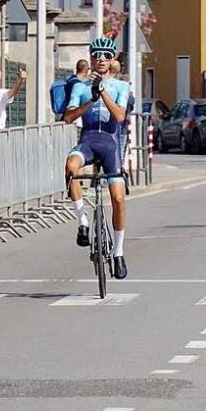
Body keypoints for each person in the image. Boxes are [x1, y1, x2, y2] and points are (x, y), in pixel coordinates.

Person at [64, 36, 130, 280]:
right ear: (91, 58)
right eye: (97, 55)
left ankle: (118, 252)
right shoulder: (80, 87)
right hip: (89, 141)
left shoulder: (121, 86)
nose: (101, 59)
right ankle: (82, 222)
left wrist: (102, 92)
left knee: (119, 200)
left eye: (107, 56)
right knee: (71, 166)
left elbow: (120, 116)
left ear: (112, 60)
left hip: (110, 145)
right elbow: (68, 118)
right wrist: (90, 98)